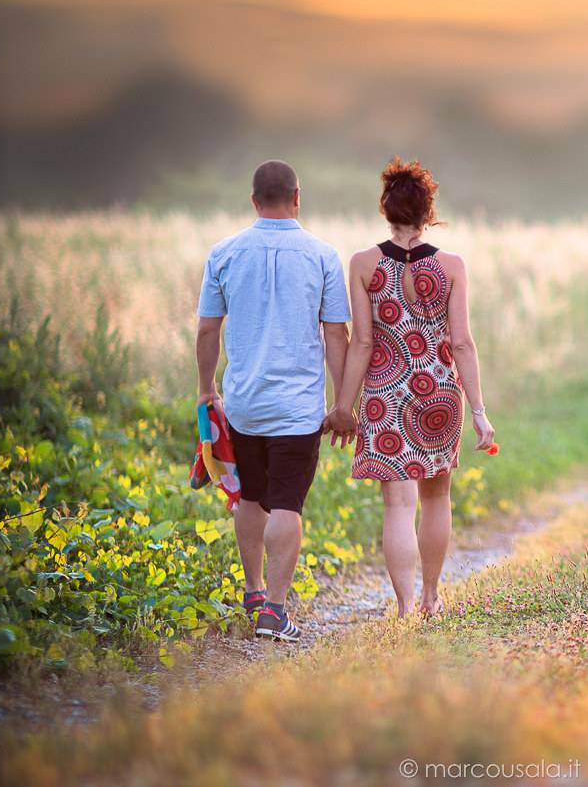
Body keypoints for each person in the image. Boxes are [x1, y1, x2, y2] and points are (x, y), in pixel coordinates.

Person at [327, 157, 494, 618]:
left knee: (397, 505)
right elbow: (461, 342)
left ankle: (403, 606)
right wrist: (479, 411)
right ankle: (430, 597)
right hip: (439, 394)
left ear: (386, 209)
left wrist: (344, 405)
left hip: (385, 396)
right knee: (437, 496)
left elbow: (361, 341)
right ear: (428, 212)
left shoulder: (362, 264)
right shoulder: (452, 266)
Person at [196, 160, 351, 642]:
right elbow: (336, 335)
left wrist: (207, 390)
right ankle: (275, 613)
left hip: (243, 404)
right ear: (297, 197)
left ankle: (254, 591)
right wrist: (343, 402)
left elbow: (207, 329)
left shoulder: (223, 253)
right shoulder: (322, 255)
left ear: (254, 200)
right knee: (286, 503)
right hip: (298, 410)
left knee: (252, 497)